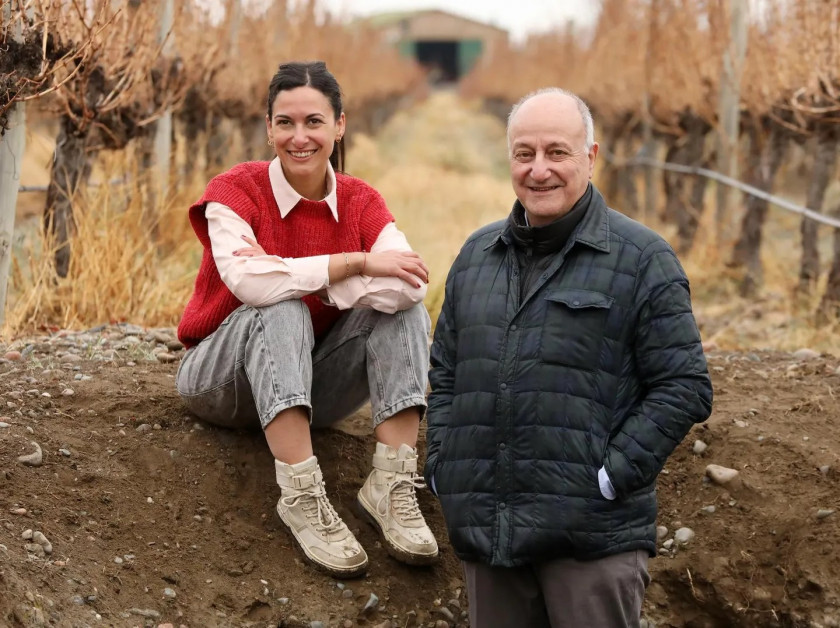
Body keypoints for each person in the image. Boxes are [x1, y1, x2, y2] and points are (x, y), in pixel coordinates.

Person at [424, 87, 713, 627]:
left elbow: (685, 385)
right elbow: (446, 371)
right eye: (523, 153)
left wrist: (610, 476)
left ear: (591, 156)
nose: (539, 170)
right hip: (491, 536)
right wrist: (444, 463)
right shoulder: (475, 257)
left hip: (591, 540)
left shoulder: (642, 258)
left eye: (557, 152)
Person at [175, 61, 438, 579]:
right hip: (221, 382)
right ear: (269, 126)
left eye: (314, 122)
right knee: (280, 306)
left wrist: (308, 281)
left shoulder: (362, 201)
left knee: (404, 313)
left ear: (339, 125)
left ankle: (390, 485)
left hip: (311, 385)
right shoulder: (235, 190)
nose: (300, 137)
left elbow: (412, 282)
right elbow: (250, 283)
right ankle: (300, 494)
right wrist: (355, 265)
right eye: (286, 123)